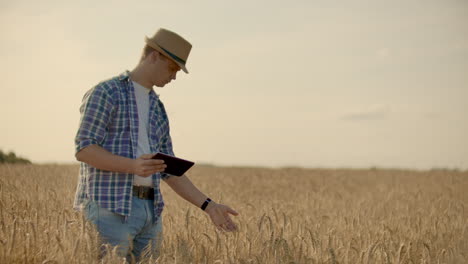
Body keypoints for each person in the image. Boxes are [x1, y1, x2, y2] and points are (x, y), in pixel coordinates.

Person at [73, 28, 238, 262]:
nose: (174, 76)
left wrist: (209, 206)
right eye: (172, 68)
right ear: (154, 56)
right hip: (110, 209)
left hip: (150, 211)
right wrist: (133, 166)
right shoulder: (106, 92)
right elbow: (84, 148)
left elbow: (168, 170)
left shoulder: (157, 108)